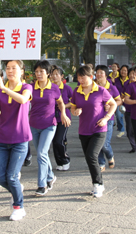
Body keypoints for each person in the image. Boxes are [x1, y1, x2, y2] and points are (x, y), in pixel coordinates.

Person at [0, 60, 32, 221]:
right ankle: (17, 190)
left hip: (20, 138)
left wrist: (5, 89)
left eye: (14, 68)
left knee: (12, 177)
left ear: (22, 71)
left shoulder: (26, 87)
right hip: (2, 137)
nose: (10, 71)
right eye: (8, 68)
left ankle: (18, 207)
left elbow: (23, 100)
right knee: (0, 177)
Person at [70, 65, 117, 198]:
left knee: (91, 155)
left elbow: (113, 104)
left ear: (91, 77)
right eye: (79, 78)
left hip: (99, 129)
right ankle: (98, 183)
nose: (81, 80)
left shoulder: (101, 91)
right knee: (89, 158)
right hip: (83, 130)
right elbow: (73, 108)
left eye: (83, 77)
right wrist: (75, 112)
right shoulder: (76, 91)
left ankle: (98, 184)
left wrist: (106, 118)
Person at [30, 60, 70, 196]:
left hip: (49, 125)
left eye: (41, 71)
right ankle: (50, 176)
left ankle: (42, 185)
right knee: (42, 154)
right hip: (34, 125)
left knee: (41, 153)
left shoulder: (54, 88)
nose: (38, 74)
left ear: (47, 73)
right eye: (36, 71)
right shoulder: (31, 87)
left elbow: (61, 103)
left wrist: (63, 114)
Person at [94, 65, 121, 171]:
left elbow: (119, 100)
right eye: (97, 72)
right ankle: (101, 163)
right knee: (97, 142)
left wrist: (110, 106)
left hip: (108, 118)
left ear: (106, 75)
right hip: (95, 118)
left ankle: (110, 155)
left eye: (101, 73)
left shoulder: (111, 87)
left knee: (105, 143)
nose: (99, 75)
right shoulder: (92, 86)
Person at [50, 66, 73, 171]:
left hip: (64, 117)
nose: (54, 76)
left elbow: (74, 102)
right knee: (54, 141)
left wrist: (63, 106)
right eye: (52, 74)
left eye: (57, 74)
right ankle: (59, 162)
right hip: (51, 117)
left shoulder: (67, 88)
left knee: (59, 140)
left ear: (62, 76)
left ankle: (65, 160)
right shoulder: (49, 87)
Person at [109, 62, 126, 136]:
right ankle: (119, 128)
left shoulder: (121, 78)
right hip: (113, 98)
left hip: (122, 98)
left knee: (119, 115)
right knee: (115, 114)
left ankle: (121, 128)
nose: (113, 68)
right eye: (112, 66)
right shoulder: (110, 76)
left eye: (115, 66)